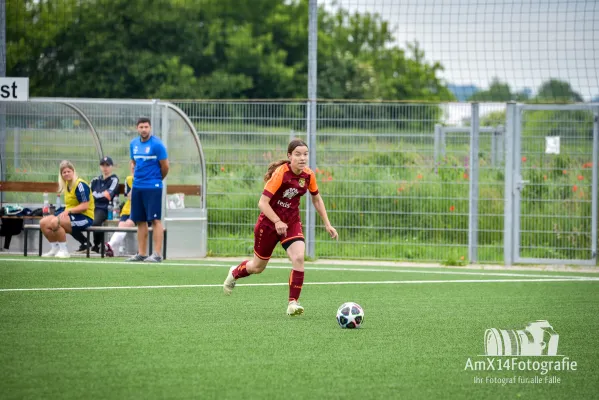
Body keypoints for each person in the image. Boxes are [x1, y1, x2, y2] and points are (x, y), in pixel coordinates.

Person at [223, 139, 338, 316]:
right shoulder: (281, 174)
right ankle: (234, 272)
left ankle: (293, 303)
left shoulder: (308, 175)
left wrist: (327, 223)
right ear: (289, 156)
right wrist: (277, 221)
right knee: (257, 267)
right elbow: (262, 203)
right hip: (268, 224)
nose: (302, 158)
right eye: (298, 154)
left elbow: (316, 198)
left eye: (305, 154)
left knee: (299, 257)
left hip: (291, 223)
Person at [127, 117, 169, 262]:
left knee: (155, 219)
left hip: (153, 187)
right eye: (141, 127)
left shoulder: (157, 144)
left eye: (146, 127)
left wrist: (156, 180)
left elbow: (165, 167)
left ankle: (157, 254)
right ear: (137, 128)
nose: (143, 129)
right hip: (138, 186)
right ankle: (142, 253)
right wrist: (134, 183)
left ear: (150, 128)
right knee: (140, 220)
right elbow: (133, 163)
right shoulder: (133, 144)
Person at [40, 160, 95, 258]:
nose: (66, 174)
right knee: (43, 222)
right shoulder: (66, 185)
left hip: (85, 217)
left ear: (73, 171)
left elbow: (84, 206)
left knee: (55, 222)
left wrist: (68, 211)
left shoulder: (80, 185)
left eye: (68, 171)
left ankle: (64, 251)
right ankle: (54, 248)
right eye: (64, 172)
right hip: (71, 215)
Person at [87, 156, 119, 253]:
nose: (105, 168)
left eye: (107, 165)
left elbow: (108, 195)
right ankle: (85, 243)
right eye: (103, 165)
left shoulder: (114, 179)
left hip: (105, 208)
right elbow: (88, 194)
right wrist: (101, 195)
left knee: (95, 223)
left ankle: (98, 245)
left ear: (111, 167)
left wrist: (95, 194)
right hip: (91, 207)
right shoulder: (95, 180)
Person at [105, 162, 135, 257]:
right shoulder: (129, 179)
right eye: (132, 168)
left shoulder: (146, 180)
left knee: (127, 224)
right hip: (128, 209)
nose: (134, 170)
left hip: (140, 209)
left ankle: (110, 245)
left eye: (136, 168)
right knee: (122, 225)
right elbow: (129, 197)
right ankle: (111, 247)